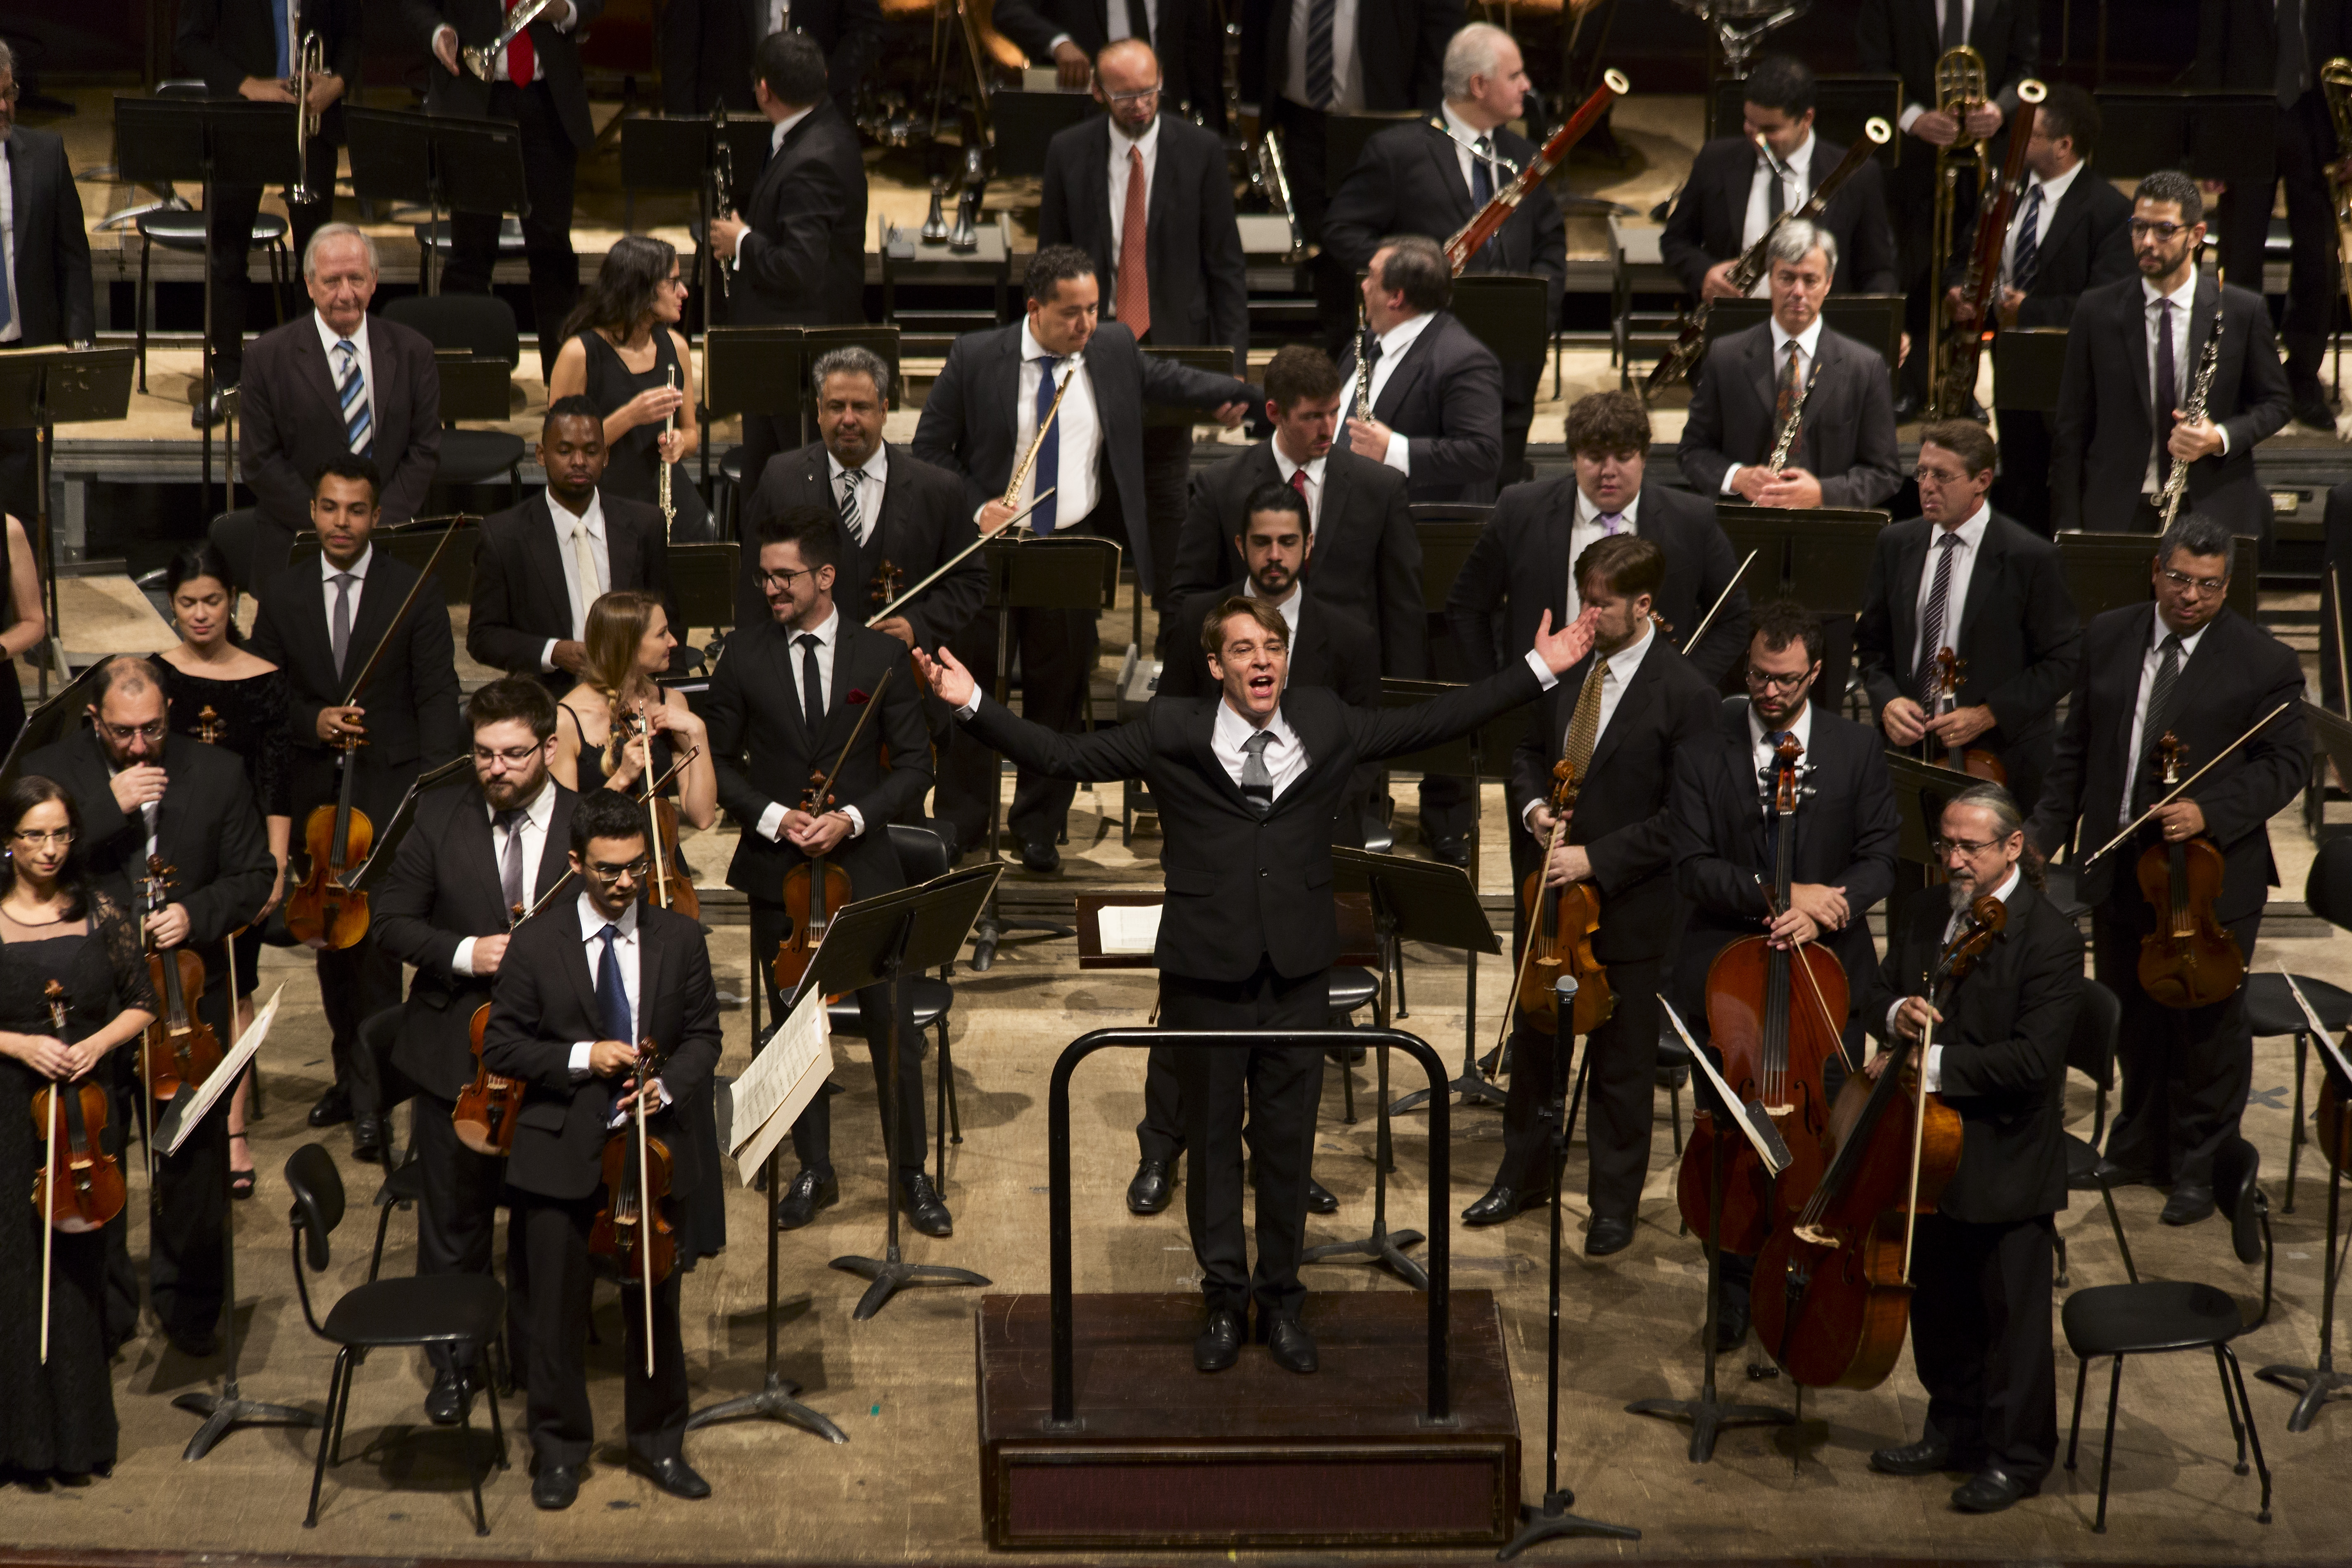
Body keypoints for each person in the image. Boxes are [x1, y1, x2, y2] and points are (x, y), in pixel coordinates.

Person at [915, 594, 1597, 1375]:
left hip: (1297, 973)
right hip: (1204, 973)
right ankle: (1221, 1300)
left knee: (1285, 1145)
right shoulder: (1171, 728)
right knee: (1210, 1147)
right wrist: (970, 701)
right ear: (1216, 665)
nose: (1262, 659)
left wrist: (1541, 667)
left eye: (1273, 645)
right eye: (1243, 649)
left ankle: (1279, 1302)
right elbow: (1061, 756)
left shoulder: (1325, 720)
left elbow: (1434, 722)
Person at [912, 244, 1256, 872]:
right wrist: (977, 506)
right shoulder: (976, 356)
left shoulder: (1111, 347)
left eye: (1094, 309)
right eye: (1072, 312)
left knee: (1060, 689)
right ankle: (963, 817)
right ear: (1034, 309)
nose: (1086, 324)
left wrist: (1242, 395)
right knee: (970, 683)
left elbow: (1170, 380)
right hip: (988, 551)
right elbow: (930, 449)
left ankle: (1039, 824)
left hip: (1070, 547)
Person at [2024, 513, 2307, 1224]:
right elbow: (2075, 749)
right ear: (2156, 570)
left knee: (2205, 1029)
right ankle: (2137, 1146)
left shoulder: (2264, 661)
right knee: (2135, 1015)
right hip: (2121, 864)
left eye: (2208, 585)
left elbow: (2287, 764)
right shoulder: (2108, 635)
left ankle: (2199, 1166)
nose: (2190, 596)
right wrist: (2041, 834)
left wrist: (2209, 811)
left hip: (2209, 879)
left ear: (2227, 586)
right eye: (2180, 578)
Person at [1463, 536, 1721, 1248]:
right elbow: (1525, 752)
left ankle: (1613, 1203)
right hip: (1551, 901)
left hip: (1630, 908)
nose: (1588, 614)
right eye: (1584, 598)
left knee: (1621, 1064)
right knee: (1535, 1047)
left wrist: (1595, 858)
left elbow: (1687, 819)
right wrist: (1532, 811)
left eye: (1601, 603)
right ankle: (1522, 1175)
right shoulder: (1566, 666)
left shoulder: (1687, 694)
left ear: (1643, 604)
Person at [1133, 483, 1379, 1217]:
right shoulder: (1199, 623)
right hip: (1212, 859)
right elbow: (1173, 730)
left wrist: (1308, 810)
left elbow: (1367, 743)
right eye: (1262, 541)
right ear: (1241, 545)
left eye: (1288, 541)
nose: (1275, 555)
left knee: (1284, 1068)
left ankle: (1279, 1167)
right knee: (1188, 1029)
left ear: (1309, 546)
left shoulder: (1344, 633)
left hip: (1303, 852)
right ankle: (1162, 1146)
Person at [23, 656, 273, 1359]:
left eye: (153, 729)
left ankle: (190, 1309)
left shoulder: (218, 772)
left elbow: (254, 876)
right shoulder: (51, 772)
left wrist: (195, 913)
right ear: (95, 719)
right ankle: (103, 1315)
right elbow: (30, 873)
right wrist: (108, 806)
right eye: (123, 732)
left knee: (191, 1157)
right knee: (96, 1150)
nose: (140, 746)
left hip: (185, 1001)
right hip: (90, 1002)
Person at [704, 512, 945, 1234]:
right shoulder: (742, 655)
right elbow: (719, 764)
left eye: (785, 576)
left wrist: (853, 819)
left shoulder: (880, 657)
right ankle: (813, 1167)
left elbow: (915, 766)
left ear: (825, 577)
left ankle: (911, 1173)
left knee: (893, 1029)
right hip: (778, 871)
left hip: (865, 870)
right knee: (792, 1030)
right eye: (765, 577)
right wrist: (778, 817)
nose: (772, 588)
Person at [481, 788, 722, 1510]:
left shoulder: (681, 937)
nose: (624, 882)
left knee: (656, 1310)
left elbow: (703, 1037)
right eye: (608, 869)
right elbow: (503, 1046)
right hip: (560, 1150)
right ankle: (558, 1452)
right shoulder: (536, 942)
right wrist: (584, 1056)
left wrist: (665, 1088)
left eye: (637, 867)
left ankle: (659, 1441)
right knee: (554, 1314)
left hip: (651, 1153)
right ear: (575, 862)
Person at [1668, 598, 1900, 1347]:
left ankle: (1807, 1281)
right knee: (1730, 1150)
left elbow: (1881, 855)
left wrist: (1829, 907)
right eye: (1759, 677)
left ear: (1816, 673)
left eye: (1787, 680)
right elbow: (1692, 865)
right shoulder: (1702, 751)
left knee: (1823, 1144)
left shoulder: (1855, 747)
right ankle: (1731, 1289)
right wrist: (1779, 895)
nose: (1770, 693)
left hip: (1828, 985)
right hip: (1729, 989)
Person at [1861, 785, 2079, 1516]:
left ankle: (2017, 1458)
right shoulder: (1928, 910)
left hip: (2005, 1155)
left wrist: (1925, 1064)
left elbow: (2033, 1062)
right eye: (1945, 844)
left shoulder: (2050, 939)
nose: (1953, 859)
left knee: (2010, 1323)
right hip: (1928, 1148)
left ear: (2012, 846)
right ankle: (1950, 1430)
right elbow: (1878, 990)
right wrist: (1896, 1012)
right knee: (1940, 1302)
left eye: (1968, 847)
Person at [372, 677, 577, 1430]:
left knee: (542, 1229)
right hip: (455, 1062)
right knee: (453, 1225)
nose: (496, 768)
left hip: (552, 1062)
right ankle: (454, 1366)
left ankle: (537, 1362)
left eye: (514, 753)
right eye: (484, 753)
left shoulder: (588, 823)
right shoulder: (438, 816)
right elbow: (391, 921)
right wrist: (466, 951)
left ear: (548, 747)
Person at [249, 455, 465, 1162]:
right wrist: (313, 721)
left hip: (387, 801)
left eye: (356, 510)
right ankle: (349, 1079)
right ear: (313, 511)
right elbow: (265, 695)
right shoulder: (283, 594)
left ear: (376, 516)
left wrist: (433, 801)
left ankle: (374, 1101)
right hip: (317, 805)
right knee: (329, 951)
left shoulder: (415, 591)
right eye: (330, 507)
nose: (342, 522)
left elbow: (438, 700)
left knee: (373, 958)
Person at [1039, 38, 1248, 606]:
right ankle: (1084, 618)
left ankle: (1173, 624)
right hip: (1089, 344)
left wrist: (1231, 368)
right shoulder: (1068, 150)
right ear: (1097, 92)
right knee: (1087, 480)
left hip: (1172, 345)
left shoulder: (1200, 150)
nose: (1139, 105)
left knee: (1166, 488)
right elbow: (1049, 260)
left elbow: (1225, 267)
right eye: (1125, 95)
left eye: (1149, 92)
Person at [1322, 24, 1567, 483]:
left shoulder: (1522, 154)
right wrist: (1409, 272)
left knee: (1503, 484)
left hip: (1514, 360)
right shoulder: (1398, 152)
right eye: (1514, 75)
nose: (1526, 85)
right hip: (1427, 364)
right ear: (1479, 85)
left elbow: (1551, 241)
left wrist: (1540, 313)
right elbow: (1342, 231)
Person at [0, 776, 156, 1485]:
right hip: (9, 1114)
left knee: (76, 1271)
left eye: (61, 833)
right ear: (8, 840)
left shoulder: (102, 911)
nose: (50, 849)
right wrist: (17, 1044)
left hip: (84, 1117)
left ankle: (76, 1439)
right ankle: (18, 1441)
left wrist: (95, 1044)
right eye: (34, 835)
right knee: (13, 1273)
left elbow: (142, 1001)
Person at [1449, 389, 1754, 693]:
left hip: (1652, 705)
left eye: (1623, 457)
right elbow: (1467, 606)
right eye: (1594, 457)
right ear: (1573, 458)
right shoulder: (1520, 511)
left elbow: (1734, 618)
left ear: (1644, 457)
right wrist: (1495, 693)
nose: (1609, 472)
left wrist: (1685, 689)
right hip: (1541, 703)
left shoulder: (1691, 519)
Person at [152, 542, 292, 1196]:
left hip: (240, 854)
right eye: (188, 603)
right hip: (176, 855)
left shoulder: (265, 677)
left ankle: (232, 1126)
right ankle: (170, 1099)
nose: (201, 614)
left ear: (232, 601)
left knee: (235, 985)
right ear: (172, 604)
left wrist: (276, 867)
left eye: (212, 601)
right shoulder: (157, 674)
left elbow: (276, 781)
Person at [1853, 420, 2081, 816]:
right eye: (1921, 473)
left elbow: (2065, 659)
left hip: (1997, 757)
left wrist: (1987, 714)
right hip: (1908, 750)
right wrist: (1887, 702)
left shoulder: (2029, 556)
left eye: (1941, 476)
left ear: (1982, 481)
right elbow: (1873, 646)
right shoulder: (1895, 543)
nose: (1926, 486)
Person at [2050, 171, 2292, 540]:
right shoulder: (2095, 310)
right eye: (2138, 228)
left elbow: (2276, 403)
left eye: (2164, 230)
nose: (2147, 242)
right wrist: (2068, 525)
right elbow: (2070, 426)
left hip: (2211, 507)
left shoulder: (2241, 309)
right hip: (2117, 510)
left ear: (2195, 235)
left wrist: (2219, 437)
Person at [1170, 344, 1424, 681]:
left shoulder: (1380, 487)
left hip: (1347, 685)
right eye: (1312, 417)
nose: (1328, 429)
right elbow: (1190, 599)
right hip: (1249, 682)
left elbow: (1402, 611)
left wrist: (1404, 697)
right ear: (1274, 412)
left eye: (1334, 412)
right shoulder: (1221, 487)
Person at [1945, 83, 2133, 534]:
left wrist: (2030, 312)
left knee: (2068, 478)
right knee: (2019, 475)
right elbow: (1965, 254)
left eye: (2030, 136)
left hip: (2072, 366)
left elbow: (2108, 301)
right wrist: (1955, 288)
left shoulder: (2109, 210)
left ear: (2063, 146)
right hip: (2013, 362)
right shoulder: (2004, 191)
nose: (2016, 143)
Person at [735, 346, 985, 665]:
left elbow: (969, 581)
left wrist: (918, 625)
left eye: (861, 407)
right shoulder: (780, 478)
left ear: (884, 410)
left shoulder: (938, 489)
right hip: (804, 671)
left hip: (901, 677)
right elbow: (753, 590)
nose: (848, 419)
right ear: (819, 410)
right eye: (836, 407)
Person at [1236, 0, 1460, 351]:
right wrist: (1251, 103)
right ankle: (1342, 350)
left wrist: (1428, 127)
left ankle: (1397, 346)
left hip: (1387, 122)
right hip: (1303, 122)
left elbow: (1440, 36)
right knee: (1323, 249)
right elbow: (1259, 22)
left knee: (1389, 242)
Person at [173, 0, 358, 422]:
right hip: (242, 116)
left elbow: (352, 36)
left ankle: (309, 379)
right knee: (227, 253)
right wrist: (248, 85)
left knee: (316, 259)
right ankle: (227, 378)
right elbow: (189, 42)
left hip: (313, 121)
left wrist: (337, 83)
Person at [1858, 0, 2041, 418]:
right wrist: (1913, 118)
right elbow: (1873, 68)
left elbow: (2025, 69)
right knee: (1909, 270)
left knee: (1972, 275)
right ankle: (1907, 387)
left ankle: (1961, 388)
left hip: (1982, 157)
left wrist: (1999, 109)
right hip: (1910, 159)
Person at [709, 30, 868, 495]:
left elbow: (799, 266)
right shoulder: (815, 130)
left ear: (764, 90)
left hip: (795, 358)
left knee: (792, 491)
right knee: (768, 484)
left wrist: (741, 241)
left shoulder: (812, 158)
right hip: (778, 355)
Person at [408, 0, 599, 383]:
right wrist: (437, 32)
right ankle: (468, 389)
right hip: (474, 95)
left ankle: (565, 391)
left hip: (548, 102)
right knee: (470, 252)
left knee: (553, 252)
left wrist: (566, 10)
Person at [238, 227, 441, 581]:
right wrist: (330, 522)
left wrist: (374, 522)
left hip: (388, 544)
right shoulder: (266, 357)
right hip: (296, 546)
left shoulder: (414, 352)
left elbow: (425, 449)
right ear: (309, 283)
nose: (346, 294)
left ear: (374, 280)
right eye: (332, 281)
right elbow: (260, 462)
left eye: (356, 279)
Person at [2193, 0, 2352, 429]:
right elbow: (2211, 55)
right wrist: (2211, 145)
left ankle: (2301, 377)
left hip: (2316, 124)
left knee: (2318, 262)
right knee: (2240, 259)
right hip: (2246, 121)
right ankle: (2244, 375)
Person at [1678, 219, 1903, 512]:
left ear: (1828, 283)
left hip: (1828, 530)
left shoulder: (1865, 367)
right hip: (1745, 525)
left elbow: (1884, 473)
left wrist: (1822, 493)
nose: (1798, 291)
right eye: (1787, 278)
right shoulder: (1726, 357)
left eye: (1810, 280)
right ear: (1770, 278)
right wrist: (1737, 477)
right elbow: (1692, 452)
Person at [468, 398, 677, 696]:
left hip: (633, 696)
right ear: (541, 455)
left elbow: (668, 621)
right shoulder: (504, 535)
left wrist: (667, 697)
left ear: (606, 455)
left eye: (591, 451)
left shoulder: (646, 524)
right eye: (565, 451)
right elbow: (483, 637)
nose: (579, 461)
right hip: (548, 701)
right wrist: (554, 652)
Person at [1658, 53, 1901, 302]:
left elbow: (1877, 270)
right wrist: (1705, 276)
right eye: (1750, 123)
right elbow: (1676, 241)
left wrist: (1874, 320)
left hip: (1818, 323)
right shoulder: (1715, 161)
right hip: (1736, 320)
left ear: (1806, 119)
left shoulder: (1857, 175)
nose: (1756, 137)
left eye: (1770, 129)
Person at [551, 591, 718, 930]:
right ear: (627, 645)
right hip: (603, 884)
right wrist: (622, 778)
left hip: (664, 875)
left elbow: (702, 816)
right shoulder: (566, 720)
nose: (673, 642)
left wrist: (697, 732)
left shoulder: (671, 702)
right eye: (661, 634)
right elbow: (563, 830)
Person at [545, 238, 709, 541]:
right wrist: (631, 416)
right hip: (606, 510)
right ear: (642, 289)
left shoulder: (677, 347)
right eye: (673, 282)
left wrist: (679, 444)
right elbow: (560, 449)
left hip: (671, 509)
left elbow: (691, 435)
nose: (684, 292)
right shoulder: (580, 354)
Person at [1333, 233, 1504, 508]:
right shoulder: (1365, 342)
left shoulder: (1463, 359)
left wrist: (1394, 450)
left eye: (1372, 277)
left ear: (1396, 297)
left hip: (1407, 523)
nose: (1363, 285)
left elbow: (1482, 454)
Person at [0, 40, 95, 522]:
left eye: (8, 92)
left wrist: (78, 346)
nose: (4, 106)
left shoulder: (46, 154)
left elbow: (73, 259)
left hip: (27, 359)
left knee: (24, 510)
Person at [993, 0, 1221, 124]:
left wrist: (1212, 125)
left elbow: (1198, 47)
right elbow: (1008, 10)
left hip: (1166, 113)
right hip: (1088, 116)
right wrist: (1059, 43)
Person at [660, 0, 879, 120]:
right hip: (727, 116)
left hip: (813, 118)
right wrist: (683, 130)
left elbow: (868, 30)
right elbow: (680, 43)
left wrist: (823, 81)